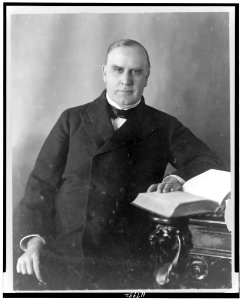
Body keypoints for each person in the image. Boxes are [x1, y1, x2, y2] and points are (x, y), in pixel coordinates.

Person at [16, 39, 224, 290]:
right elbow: (40, 186)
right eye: (118, 69)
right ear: (104, 73)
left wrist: (177, 178)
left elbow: (208, 161)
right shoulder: (72, 119)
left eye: (136, 72)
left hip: (128, 260)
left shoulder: (164, 125)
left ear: (147, 77)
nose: (127, 79)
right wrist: (34, 242)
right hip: (66, 253)